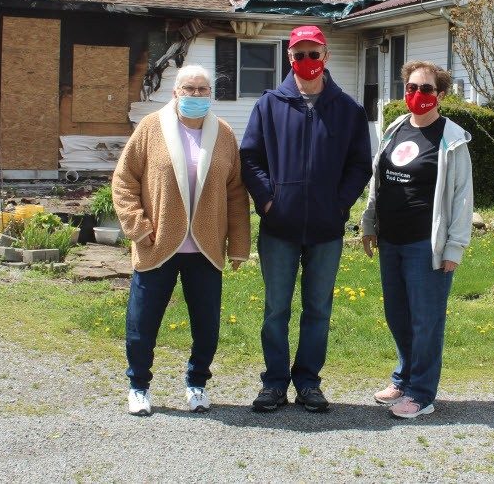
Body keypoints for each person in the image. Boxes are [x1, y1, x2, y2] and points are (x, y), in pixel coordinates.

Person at [240, 25, 372, 413]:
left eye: (314, 54)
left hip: (326, 231)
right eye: (300, 55)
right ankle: (275, 383)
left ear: (326, 57)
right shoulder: (269, 105)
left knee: (318, 309)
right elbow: (250, 157)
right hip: (279, 228)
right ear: (290, 58)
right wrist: (267, 200)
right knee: (276, 308)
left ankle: (309, 383)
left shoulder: (348, 109)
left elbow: (359, 165)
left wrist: (340, 205)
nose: (307, 61)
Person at [112, 64, 251, 416]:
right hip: (156, 243)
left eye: (203, 90)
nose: (196, 96)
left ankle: (197, 384)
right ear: (175, 93)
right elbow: (124, 180)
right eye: (189, 89)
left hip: (205, 247)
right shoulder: (150, 128)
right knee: (142, 322)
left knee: (206, 324)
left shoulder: (223, 133)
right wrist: (137, 225)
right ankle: (138, 386)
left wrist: (238, 245)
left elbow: (235, 193)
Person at [361, 60, 473, 419]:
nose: (417, 95)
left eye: (426, 89)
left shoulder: (451, 139)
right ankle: (404, 376)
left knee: (426, 319)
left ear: (440, 95)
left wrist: (455, 246)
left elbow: (461, 197)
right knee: (397, 315)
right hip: (391, 240)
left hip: (427, 245)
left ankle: (422, 394)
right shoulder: (396, 129)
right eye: (411, 87)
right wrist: (369, 224)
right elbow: (379, 180)